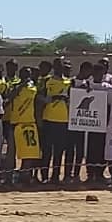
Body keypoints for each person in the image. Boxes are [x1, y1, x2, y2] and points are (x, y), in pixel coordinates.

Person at [40, 58, 71, 186]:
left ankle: (55, 176)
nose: (59, 68)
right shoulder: (47, 81)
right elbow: (39, 97)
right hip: (48, 119)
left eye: (61, 65)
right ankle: (44, 176)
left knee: (59, 151)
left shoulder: (69, 82)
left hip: (64, 120)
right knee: (46, 151)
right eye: (57, 65)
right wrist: (52, 98)